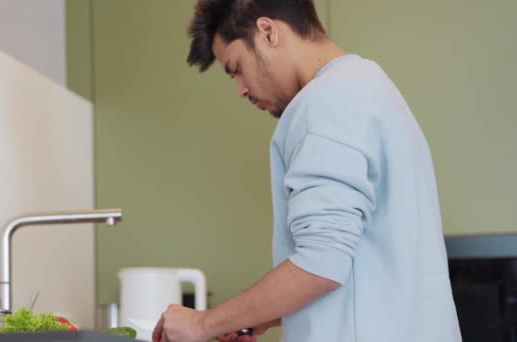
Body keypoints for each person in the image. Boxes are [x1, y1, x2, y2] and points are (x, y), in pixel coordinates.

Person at [152, 0, 462, 341]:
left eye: (236, 68)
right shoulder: (371, 87)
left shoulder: (325, 101)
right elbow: (365, 271)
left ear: (267, 32)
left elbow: (322, 262)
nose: (240, 89)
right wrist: (263, 314)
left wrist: (203, 324)